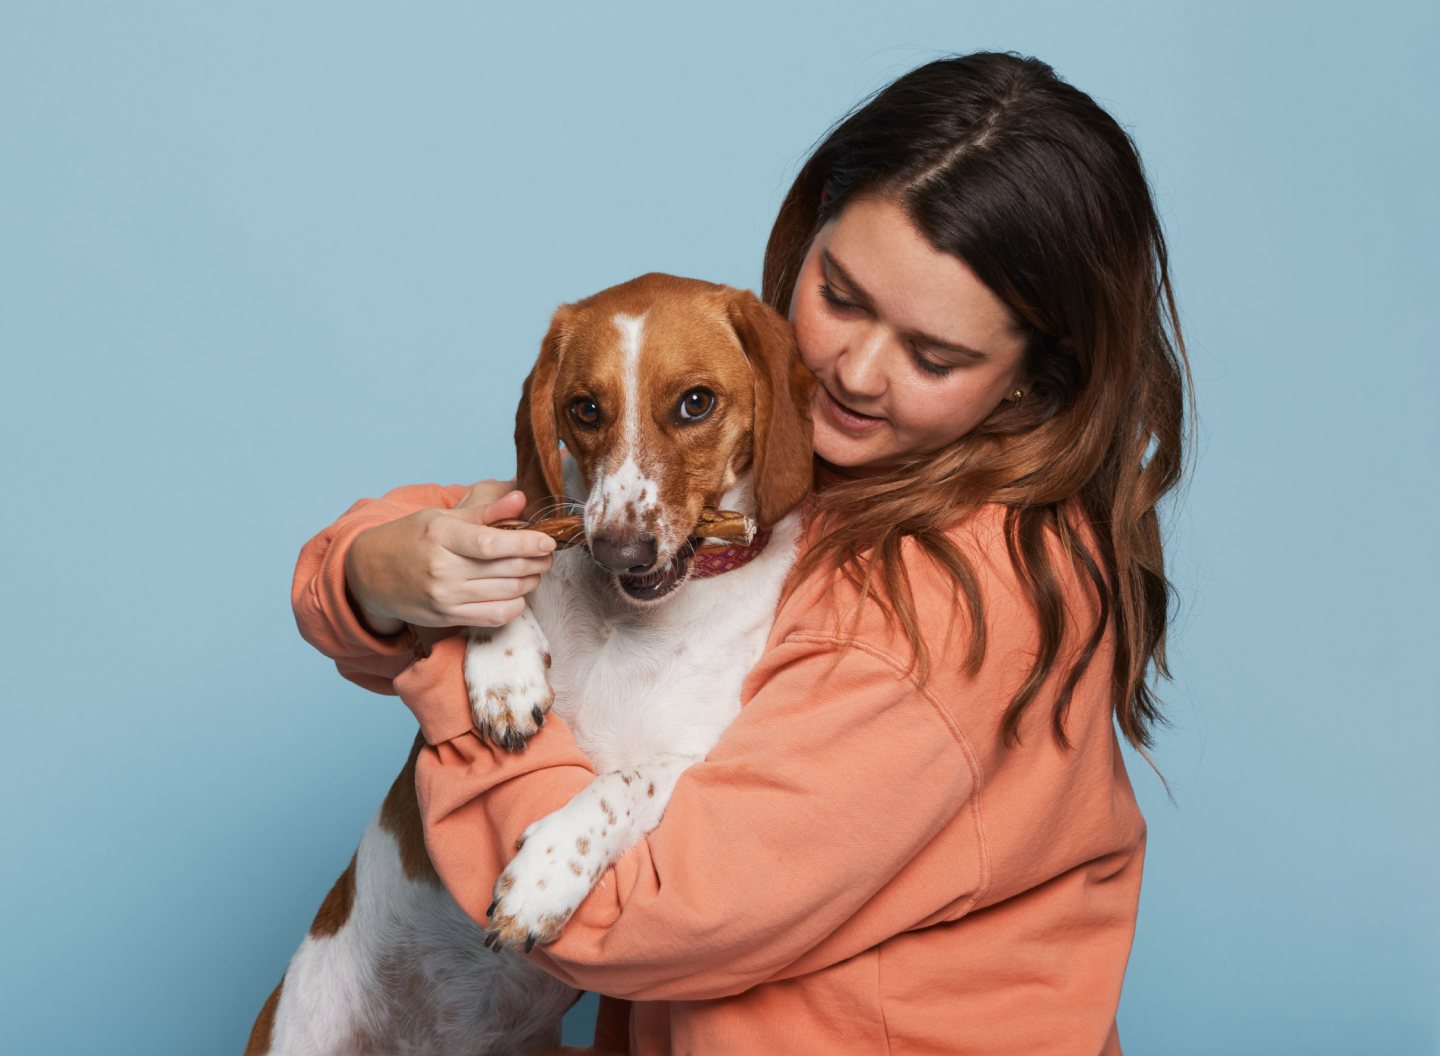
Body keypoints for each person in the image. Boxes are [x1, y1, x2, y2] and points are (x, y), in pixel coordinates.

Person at [292, 52, 1189, 1056]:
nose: (851, 369)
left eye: (931, 355)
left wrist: (455, 666)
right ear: (807, 239)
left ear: (1028, 385)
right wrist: (373, 568)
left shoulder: (939, 623)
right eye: (840, 293)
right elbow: (516, 521)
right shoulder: (832, 448)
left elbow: (629, 916)